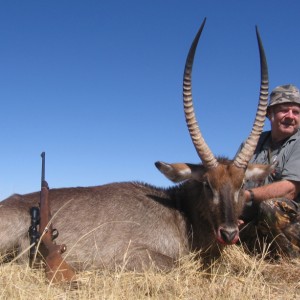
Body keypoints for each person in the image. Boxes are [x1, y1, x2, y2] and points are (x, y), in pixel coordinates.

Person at [240, 84, 300, 258]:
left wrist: (246, 196)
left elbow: (290, 190)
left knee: (272, 206)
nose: (290, 116)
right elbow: (234, 181)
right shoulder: (251, 144)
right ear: (270, 114)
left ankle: (291, 264)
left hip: (289, 218)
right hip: (259, 220)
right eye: (284, 111)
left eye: (296, 112)